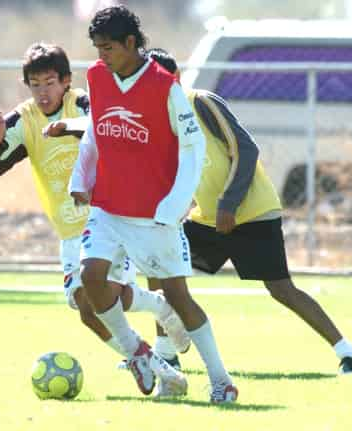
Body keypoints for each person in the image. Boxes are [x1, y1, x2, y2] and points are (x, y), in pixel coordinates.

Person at [0, 42, 191, 382]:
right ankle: (149, 352)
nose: (43, 92)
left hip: (107, 219)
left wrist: (67, 127)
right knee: (87, 311)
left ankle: (157, 336)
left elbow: (100, 120)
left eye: (49, 83)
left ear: (65, 81)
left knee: (108, 294)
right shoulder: (25, 118)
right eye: (35, 84)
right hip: (68, 231)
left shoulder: (84, 103)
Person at [146, 47, 352, 376]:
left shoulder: (201, 102)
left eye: (155, 80)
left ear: (173, 78)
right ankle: (166, 354)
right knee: (159, 266)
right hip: (207, 218)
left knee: (281, 289)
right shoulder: (157, 122)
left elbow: (246, 150)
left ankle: (349, 354)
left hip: (251, 213)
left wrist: (228, 204)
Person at [69, 5, 238, 403]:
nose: (100, 56)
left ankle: (220, 379)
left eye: (107, 47)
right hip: (107, 207)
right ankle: (138, 353)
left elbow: (193, 147)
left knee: (179, 298)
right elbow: (95, 130)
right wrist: (82, 179)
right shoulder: (96, 76)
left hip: (154, 216)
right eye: (96, 48)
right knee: (91, 277)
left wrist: (174, 205)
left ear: (131, 43)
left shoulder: (166, 87)